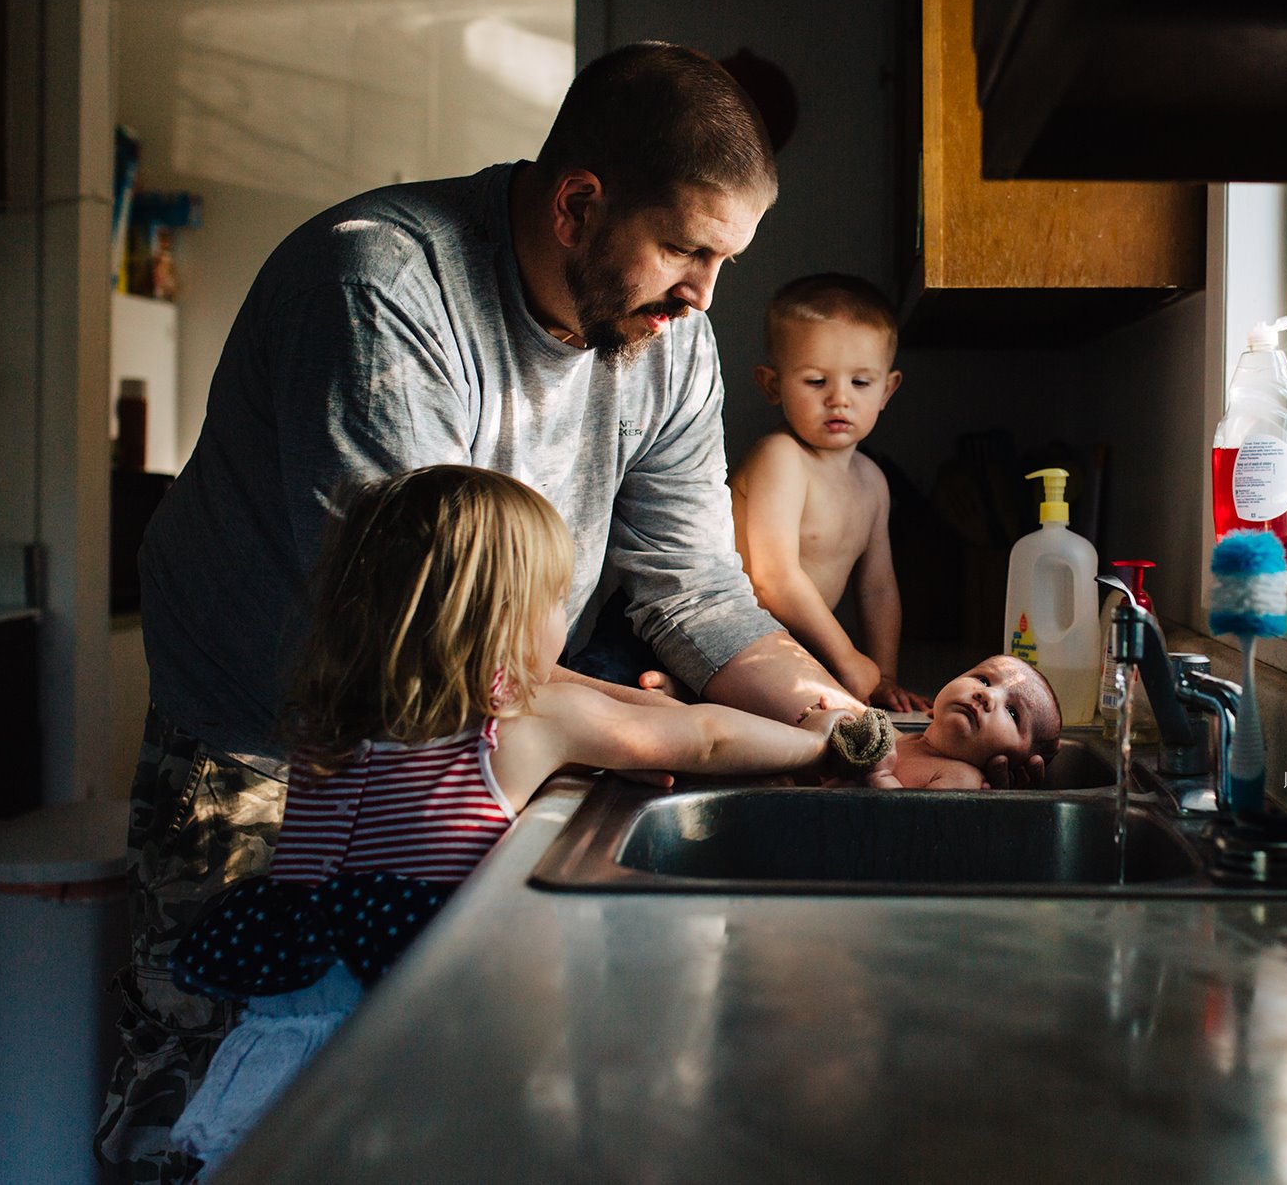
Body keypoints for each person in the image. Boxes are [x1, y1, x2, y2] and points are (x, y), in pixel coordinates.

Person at [98, 42, 876, 1184]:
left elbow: (691, 587)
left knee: (397, 1125)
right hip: (261, 755)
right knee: (208, 1117)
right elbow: (419, 638)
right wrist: (670, 726)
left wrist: (831, 711)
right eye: (685, 249)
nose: (705, 296)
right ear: (577, 204)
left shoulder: (673, 342)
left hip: (456, 753)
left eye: (724, 259)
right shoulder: (378, 287)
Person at [163, 466, 884, 1176]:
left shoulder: (330, 724)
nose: (560, 622)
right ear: (505, 619)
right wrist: (823, 739)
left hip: (287, 1023)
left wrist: (638, 720)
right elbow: (707, 739)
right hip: (412, 1034)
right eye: (553, 600)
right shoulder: (516, 722)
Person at [730, 273, 929, 712]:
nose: (839, 399)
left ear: (886, 390)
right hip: (734, 641)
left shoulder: (872, 480)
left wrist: (884, 673)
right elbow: (773, 579)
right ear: (771, 384)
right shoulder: (780, 458)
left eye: (860, 383)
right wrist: (847, 659)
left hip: (795, 655)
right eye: (816, 381)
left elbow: (877, 588)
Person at [869, 655, 1063, 791]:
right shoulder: (908, 740)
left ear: (1018, 766)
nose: (987, 694)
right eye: (983, 680)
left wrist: (880, 778)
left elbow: (913, 824)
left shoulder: (961, 778)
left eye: (1013, 713)